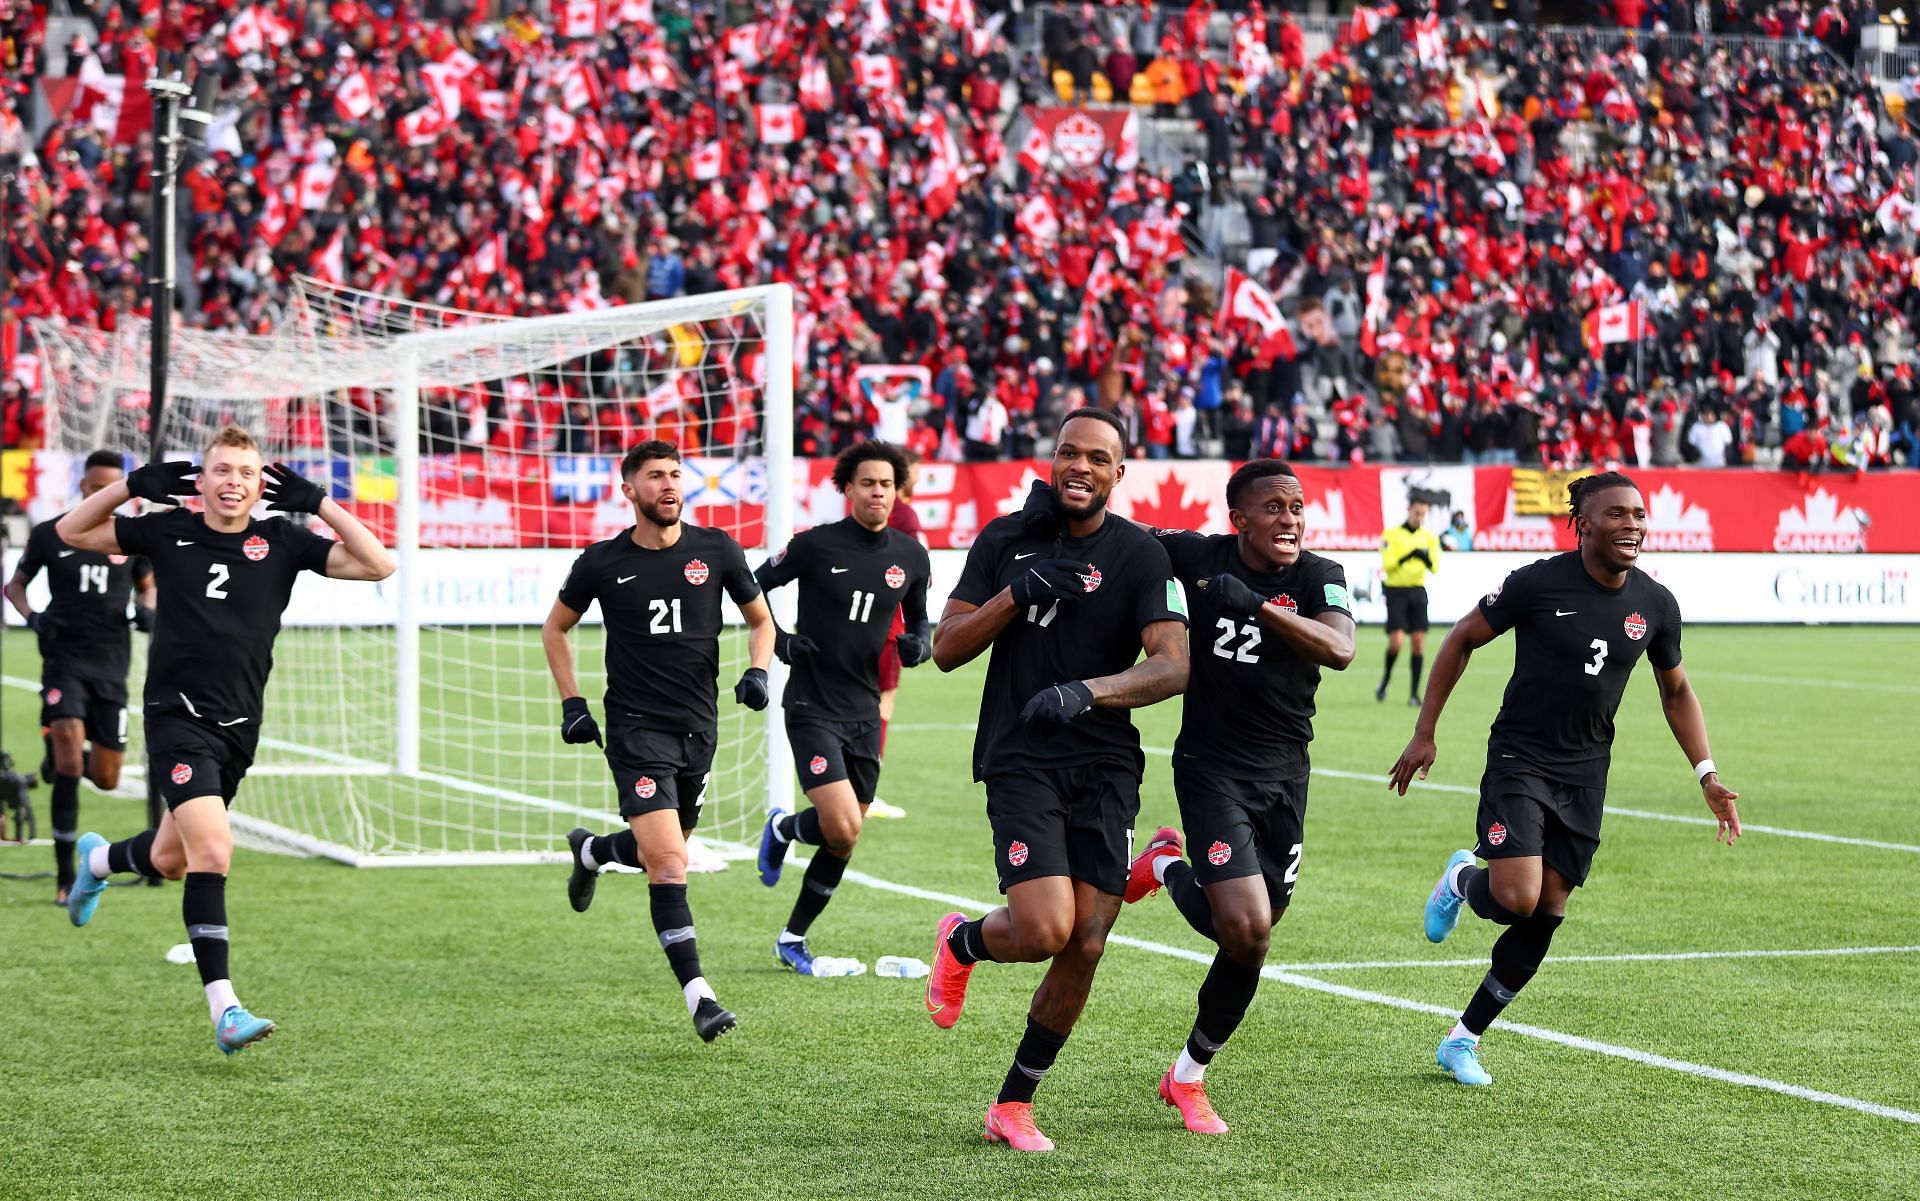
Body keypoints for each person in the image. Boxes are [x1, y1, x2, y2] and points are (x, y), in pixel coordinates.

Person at [1388, 472, 1741, 1087]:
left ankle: (1462, 1039)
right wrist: (1426, 730)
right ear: (1582, 522)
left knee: (1547, 907)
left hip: (1587, 774)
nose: (1632, 525)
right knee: (1518, 896)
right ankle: (1461, 877)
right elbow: (1462, 638)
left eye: (1638, 514)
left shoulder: (1656, 604)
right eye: (1616, 515)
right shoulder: (1537, 582)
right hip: (1520, 759)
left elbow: (1676, 690)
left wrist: (1706, 773)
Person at [57, 427, 394, 1054]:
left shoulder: (284, 539)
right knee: (213, 851)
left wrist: (318, 501)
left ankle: (97, 862)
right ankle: (226, 1009)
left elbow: (379, 563)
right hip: (175, 717)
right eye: (220, 470)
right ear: (201, 479)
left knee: (170, 859)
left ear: (261, 483)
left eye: (245, 471)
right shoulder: (166, 529)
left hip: (239, 725)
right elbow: (71, 533)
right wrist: (132, 486)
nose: (232, 481)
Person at [923, 408, 1189, 1152]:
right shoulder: (1005, 539)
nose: (1080, 466)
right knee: (1044, 929)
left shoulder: (1140, 554)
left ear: (1118, 473)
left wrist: (1088, 691)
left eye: (1097, 458)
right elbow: (944, 648)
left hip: (1105, 764)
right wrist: (1018, 593)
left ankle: (1013, 1102)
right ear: (1051, 459)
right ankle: (964, 941)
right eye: (1068, 452)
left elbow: (1173, 663)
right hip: (1021, 755)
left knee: (1087, 943)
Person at [1128, 460, 1355, 1133]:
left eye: (1297, 506)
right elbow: (1124, 538)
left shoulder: (1321, 576)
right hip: (1210, 767)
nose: (1290, 519)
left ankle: (1165, 862)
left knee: (1259, 928)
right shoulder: (1198, 554)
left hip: (1286, 773)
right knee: (1246, 930)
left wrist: (1256, 605)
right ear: (1239, 519)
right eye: (1274, 507)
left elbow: (1340, 649)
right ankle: (1191, 1077)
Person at [547, 440, 776, 1043]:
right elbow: (555, 629)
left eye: (676, 474)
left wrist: (757, 670)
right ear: (629, 491)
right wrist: (573, 703)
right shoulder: (600, 561)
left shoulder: (717, 549)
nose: (669, 485)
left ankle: (593, 852)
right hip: (634, 730)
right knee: (670, 863)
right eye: (654, 477)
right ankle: (700, 997)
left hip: (699, 728)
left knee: (664, 846)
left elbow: (761, 619)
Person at [753, 441, 932, 975]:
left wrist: (918, 645)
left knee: (844, 832)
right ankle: (787, 837)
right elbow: (750, 586)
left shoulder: (910, 555)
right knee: (842, 826)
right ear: (847, 489)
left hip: (864, 710)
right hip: (811, 704)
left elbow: (921, 621)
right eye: (866, 483)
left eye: (885, 484)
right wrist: (780, 641)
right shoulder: (814, 546)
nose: (877, 491)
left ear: (896, 490)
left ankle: (791, 932)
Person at [4, 450, 155, 902]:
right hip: (63, 659)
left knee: (107, 777)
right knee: (72, 763)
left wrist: (147, 612)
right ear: (84, 486)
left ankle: (53, 757)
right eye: (95, 487)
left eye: (112, 487)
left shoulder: (133, 538)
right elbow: (14, 586)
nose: (103, 494)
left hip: (111, 663)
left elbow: (149, 589)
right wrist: (33, 618)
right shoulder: (51, 533)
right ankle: (65, 877)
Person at [870, 447, 927, 819]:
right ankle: (866, 789)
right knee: (881, 704)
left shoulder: (870, 511)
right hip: (887, 623)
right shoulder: (903, 514)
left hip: (858, 619)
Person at [1376, 496, 1441, 705]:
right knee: (1396, 642)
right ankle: (1386, 678)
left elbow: (1435, 567)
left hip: (1418, 591)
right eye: (1416, 513)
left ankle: (1414, 694)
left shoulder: (1430, 537)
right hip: (1396, 591)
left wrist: (1425, 558)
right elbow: (1388, 564)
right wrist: (1408, 556)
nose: (1419, 518)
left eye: (1423, 514)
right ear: (1408, 510)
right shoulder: (1391, 534)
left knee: (1419, 644)